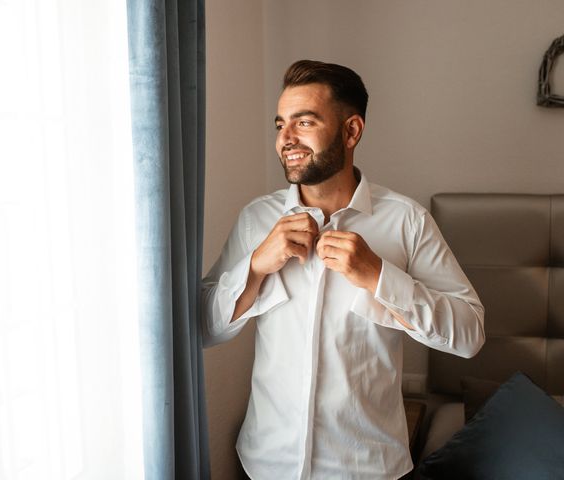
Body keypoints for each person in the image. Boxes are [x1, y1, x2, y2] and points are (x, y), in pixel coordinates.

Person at [201, 60, 485, 480]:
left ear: (351, 131)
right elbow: (203, 327)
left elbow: (469, 335)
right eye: (280, 125)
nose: (286, 139)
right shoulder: (256, 220)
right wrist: (256, 267)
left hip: (367, 469)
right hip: (265, 465)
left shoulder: (407, 221)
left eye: (304, 122)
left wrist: (379, 276)